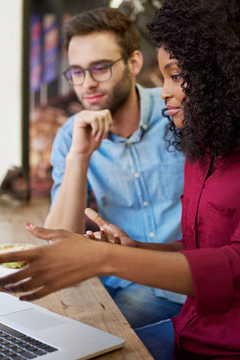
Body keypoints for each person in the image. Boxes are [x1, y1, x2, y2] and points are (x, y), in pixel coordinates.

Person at [0, 0, 240, 358]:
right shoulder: (200, 140)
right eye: (76, 72)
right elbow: (202, 246)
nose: (165, 90)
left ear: (223, 71)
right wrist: (135, 249)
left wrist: (102, 259)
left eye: (176, 75)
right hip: (196, 328)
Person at [44, 7, 186, 329]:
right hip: (119, 282)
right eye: (77, 72)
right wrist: (79, 156)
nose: (87, 85)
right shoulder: (71, 135)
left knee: (90, 335)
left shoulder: (176, 113)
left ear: (134, 63)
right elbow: (59, 241)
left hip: (182, 285)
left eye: (100, 68)